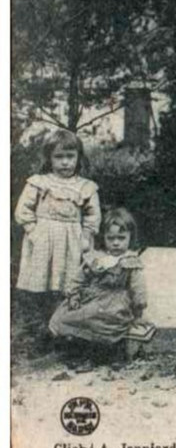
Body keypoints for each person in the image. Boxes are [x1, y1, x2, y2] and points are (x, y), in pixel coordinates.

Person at [15, 131, 101, 320]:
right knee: (42, 277)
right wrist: (33, 231)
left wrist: (87, 235)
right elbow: (23, 210)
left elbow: (92, 215)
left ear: (78, 157)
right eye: (59, 157)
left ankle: (64, 320)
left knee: (69, 279)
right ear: (49, 158)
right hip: (43, 237)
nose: (65, 162)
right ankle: (40, 321)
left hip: (72, 238)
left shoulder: (85, 187)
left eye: (70, 157)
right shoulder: (39, 183)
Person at [49, 207, 155, 348]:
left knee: (97, 317)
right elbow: (79, 277)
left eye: (121, 238)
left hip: (115, 303)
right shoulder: (96, 258)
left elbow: (138, 288)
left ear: (130, 237)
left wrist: (139, 310)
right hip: (93, 297)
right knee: (67, 315)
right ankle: (77, 345)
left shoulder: (130, 261)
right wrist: (73, 294)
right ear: (103, 237)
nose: (116, 243)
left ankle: (98, 349)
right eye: (111, 238)